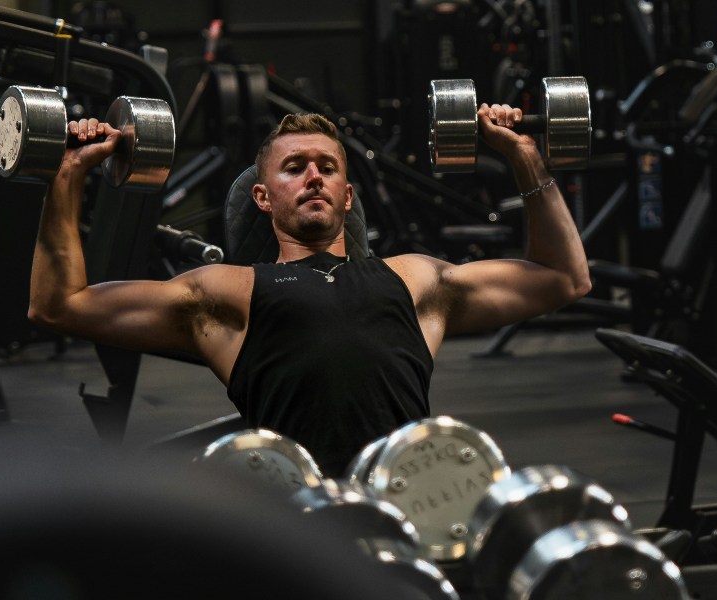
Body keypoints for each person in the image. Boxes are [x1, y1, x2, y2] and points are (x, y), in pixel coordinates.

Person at [29, 105, 590, 476]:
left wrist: (523, 155)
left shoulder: (415, 280)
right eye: (293, 167)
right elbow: (59, 305)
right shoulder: (228, 292)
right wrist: (68, 175)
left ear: (348, 197)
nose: (314, 176)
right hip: (296, 515)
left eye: (327, 167)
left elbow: (565, 278)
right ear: (263, 199)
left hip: (402, 506)